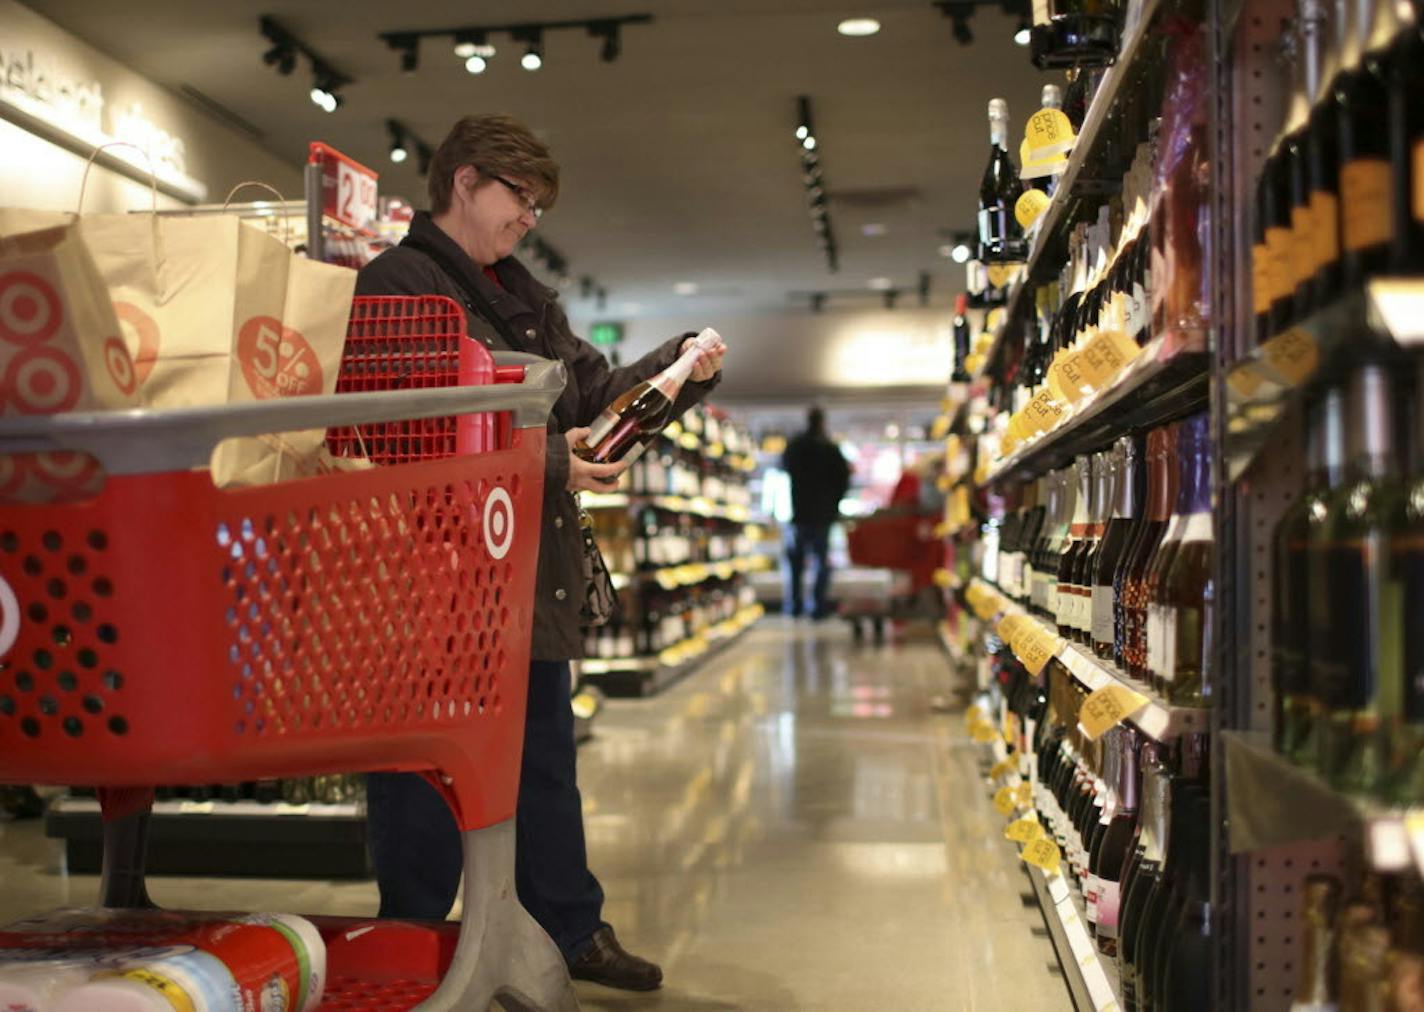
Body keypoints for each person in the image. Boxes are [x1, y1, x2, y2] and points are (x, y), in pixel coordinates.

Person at [354, 113, 726, 992]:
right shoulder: (398, 282)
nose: (531, 218)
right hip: (428, 580)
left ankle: (568, 931)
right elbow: (402, 436)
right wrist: (555, 461)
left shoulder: (522, 290)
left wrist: (679, 369)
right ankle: (413, 937)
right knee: (423, 770)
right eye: (522, 198)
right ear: (466, 182)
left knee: (544, 763)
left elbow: (592, 398)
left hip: (519, 569)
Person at [780, 407, 851, 619]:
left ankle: (794, 606)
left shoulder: (796, 446)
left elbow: (783, 467)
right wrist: (835, 503)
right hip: (823, 514)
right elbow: (844, 479)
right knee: (821, 562)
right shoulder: (830, 448)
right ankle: (818, 606)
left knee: (795, 563)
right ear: (822, 422)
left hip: (799, 513)